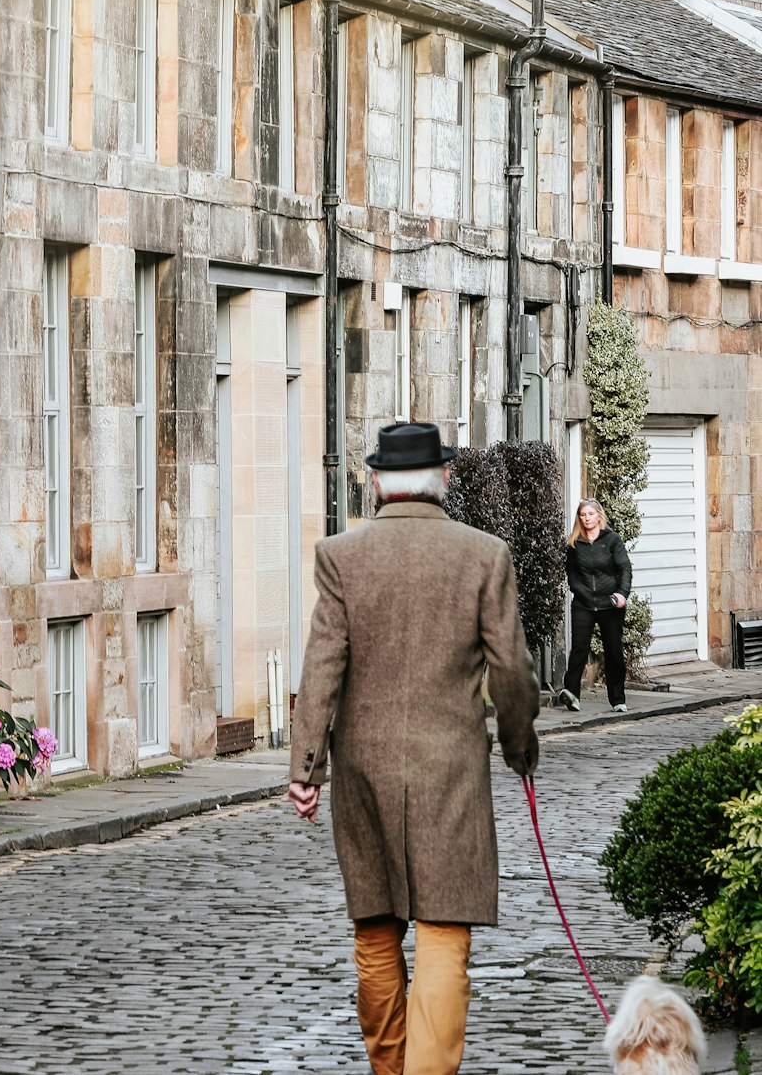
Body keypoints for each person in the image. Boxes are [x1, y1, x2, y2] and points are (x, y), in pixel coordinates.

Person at [287, 421, 540, 1075]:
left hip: (365, 769)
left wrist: (306, 768)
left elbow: (322, 667)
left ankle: (392, 1068)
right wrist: (519, 746)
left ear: (376, 482)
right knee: (442, 937)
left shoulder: (341, 555)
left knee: (375, 935)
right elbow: (510, 668)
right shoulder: (484, 555)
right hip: (450, 772)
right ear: (445, 478)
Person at [559, 498, 632, 714]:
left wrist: (621, 593)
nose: (587, 518)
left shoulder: (612, 540)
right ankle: (571, 694)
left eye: (590, 514)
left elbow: (625, 568)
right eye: (583, 515)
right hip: (584, 604)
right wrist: (582, 593)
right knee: (579, 649)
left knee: (613, 650)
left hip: (610, 603)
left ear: (598, 515)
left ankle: (618, 699)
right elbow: (571, 574)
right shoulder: (574, 543)